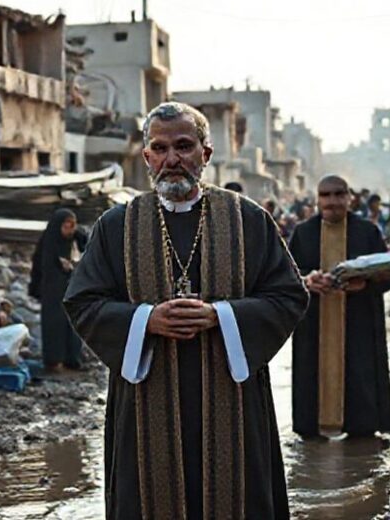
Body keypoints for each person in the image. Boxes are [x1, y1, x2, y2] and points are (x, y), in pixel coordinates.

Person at [64, 102, 308, 520]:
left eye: (183, 146)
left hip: (231, 396)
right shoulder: (116, 225)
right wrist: (145, 320)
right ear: (146, 158)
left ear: (205, 154)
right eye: (159, 148)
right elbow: (83, 301)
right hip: (145, 396)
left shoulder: (249, 219)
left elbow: (288, 296)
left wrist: (222, 317)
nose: (171, 159)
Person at [288, 175, 390, 439]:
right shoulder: (303, 233)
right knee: (311, 402)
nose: (332, 202)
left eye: (339, 194)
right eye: (326, 195)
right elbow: (285, 276)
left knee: (360, 386)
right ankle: (313, 427)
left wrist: (364, 285)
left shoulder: (368, 231)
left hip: (359, 320)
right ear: (317, 199)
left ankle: (362, 432)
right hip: (314, 322)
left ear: (349, 198)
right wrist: (308, 281)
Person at [30, 208, 88, 371]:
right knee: (54, 325)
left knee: (73, 324)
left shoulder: (75, 239)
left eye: (72, 226)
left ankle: (72, 358)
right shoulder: (50, 241)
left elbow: (88, 248)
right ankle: (54, 360)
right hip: (53, 291)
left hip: (73, 290)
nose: (70, 230)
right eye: (66, 226)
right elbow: (43, 269)